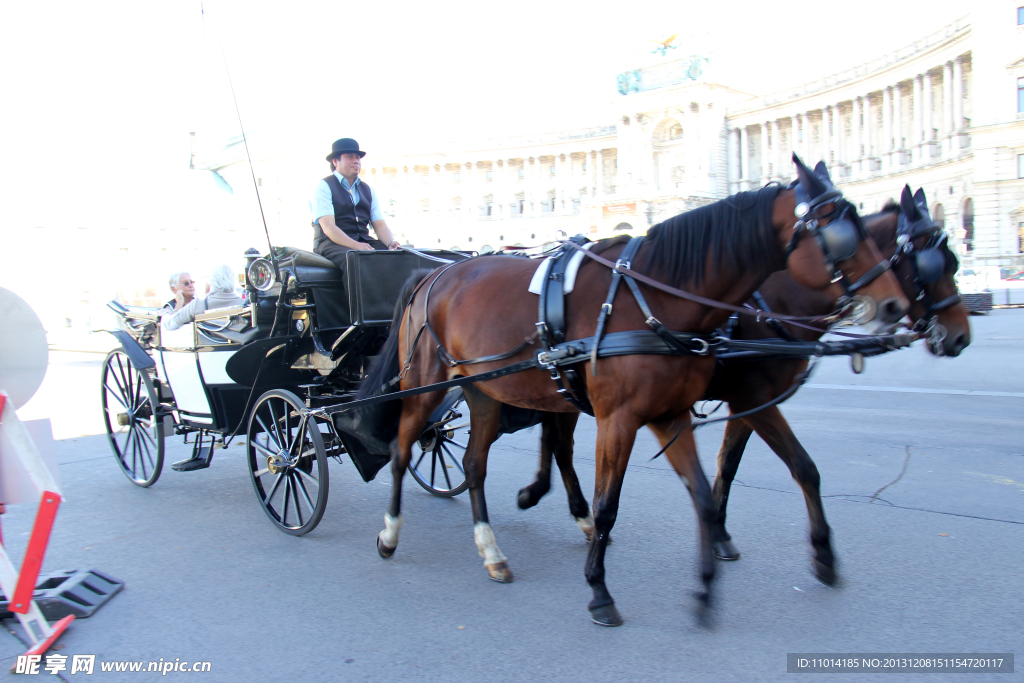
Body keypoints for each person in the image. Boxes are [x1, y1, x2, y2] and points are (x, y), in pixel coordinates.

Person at [311, 138, 401, 276]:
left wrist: (391, 242)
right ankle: (359, 298)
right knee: (355, 258)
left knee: (398, 257)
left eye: (357, 157)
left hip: (362, 240)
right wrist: (356, 246)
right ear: (335, 161)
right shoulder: (324, 186)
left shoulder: (368, 190)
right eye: (349, 157)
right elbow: (328, 227)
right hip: (330, 243)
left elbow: (379, 225)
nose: (356, 161)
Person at [162, 264, 245, 331]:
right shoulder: (244, 305)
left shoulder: (198, 305)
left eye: (191, 282)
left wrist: (165, 313)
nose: (191, 285)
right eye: (186, 283)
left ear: (210, 281)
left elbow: (167, 325)